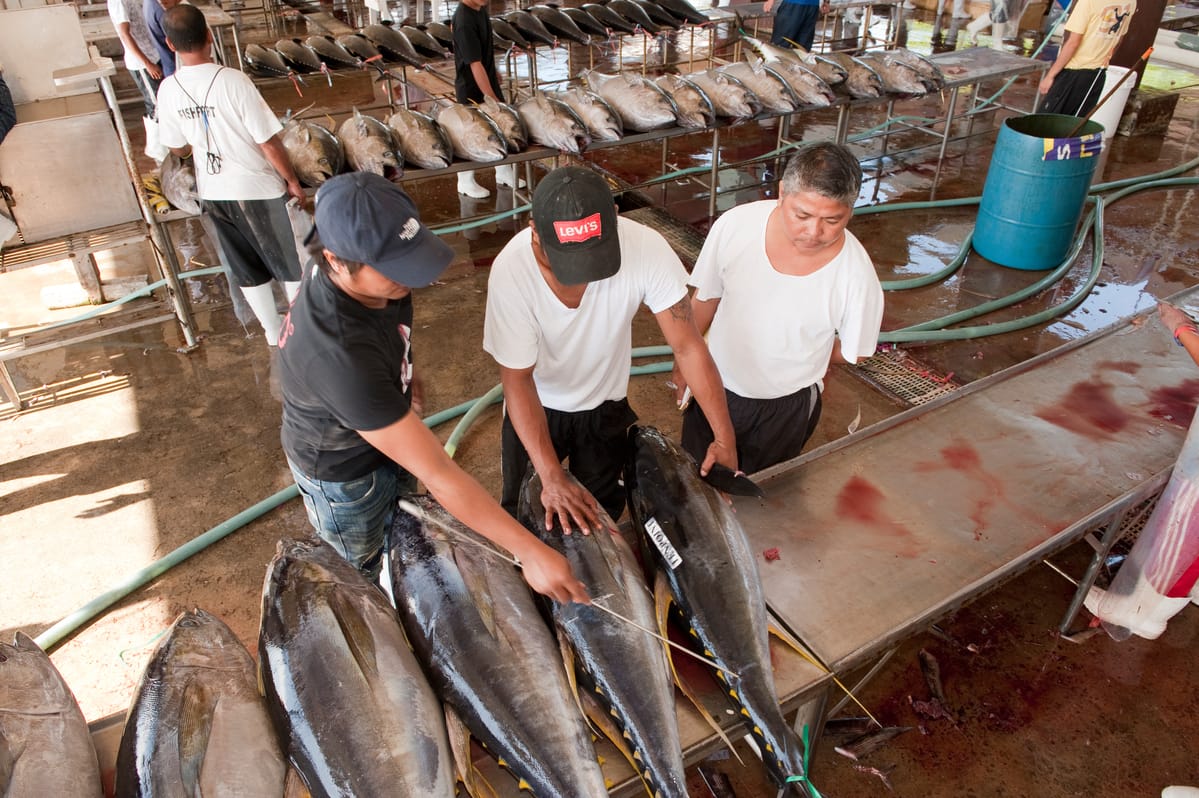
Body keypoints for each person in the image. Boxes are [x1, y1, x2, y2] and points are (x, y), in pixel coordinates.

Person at [276, 171, 588, 605]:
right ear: (335, 260)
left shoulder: (369, 275)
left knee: (409, 536)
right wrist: (529, 551)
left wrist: (402, 372)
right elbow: (440, 474)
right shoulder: (339, 356)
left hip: (376, 417)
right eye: (393, 268)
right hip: (343, 471)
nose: (410, 278)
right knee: (359, 571)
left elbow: (386, 332)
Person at [483, 166, 738, 533]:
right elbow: (518, 380)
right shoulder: (512, 271)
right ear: (533, 230)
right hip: (537, 403)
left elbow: (688, 347)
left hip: (605, 404)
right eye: (566, 260)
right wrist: (552, 475)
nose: (582, 276)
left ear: (615, 219)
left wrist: (723, 438)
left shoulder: (646, 248)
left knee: (599, 517)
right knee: (528, 517)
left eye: (593, 257)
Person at [675, 142, 884, 476]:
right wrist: (684, 361)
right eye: (802, 215)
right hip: (714, 382)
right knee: (695, 476)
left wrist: (799, 352)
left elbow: (855, 350)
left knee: (760, 490)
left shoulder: (856, 275)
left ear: (851, 209)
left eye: (832, 220)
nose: (813, 232)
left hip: (785, 406)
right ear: (783, 191)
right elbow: (706, 297)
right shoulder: (736, 225)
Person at [156, 4, 305, 354]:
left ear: (169, 44)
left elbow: (177, 149)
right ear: (209, 36)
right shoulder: (234, 80)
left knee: (245, 265)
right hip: (259, 188)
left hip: (215, 193)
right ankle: (302, 329)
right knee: (287, 262)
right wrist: (292, 180)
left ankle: (273, 333)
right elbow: (267, 141)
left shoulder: (168, 90)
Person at [451, 0, 523, 199]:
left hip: (486, 79)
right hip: (471, 88)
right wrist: (491, 98)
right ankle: (464, 181)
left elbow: (484, 52)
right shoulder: (464, 20)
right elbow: (474, 64)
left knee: (500, 128)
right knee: (473, 133)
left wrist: (496, 72)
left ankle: (503, 171)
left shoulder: (480, 10)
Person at [1038, 0, 1137, 117]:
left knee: (1044, 123)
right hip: (1098, 75)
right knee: (1074, 125)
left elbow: (1073, 43)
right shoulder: (1130, 2)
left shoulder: (1088, 2)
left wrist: (1051, 75)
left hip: (1073, 72)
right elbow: (1119, 38)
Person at [107, 0, 163, 117]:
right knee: (156, 106)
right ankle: (156, 133)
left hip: (154, 55)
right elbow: (124, 34)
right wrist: (147, 64)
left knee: (163, 100)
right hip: (143, 63)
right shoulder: (118, 2)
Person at [763, 0, 829, 52]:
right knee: (802, 48)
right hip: (812, 6)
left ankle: (776, 67)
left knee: (780, 45)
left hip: (794, 5)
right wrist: (826, 2)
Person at [145, 0, 184, 79]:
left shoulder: (149, 3)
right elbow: (181, 43)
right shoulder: (163, 12)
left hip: (170, 65)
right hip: (178, 67)